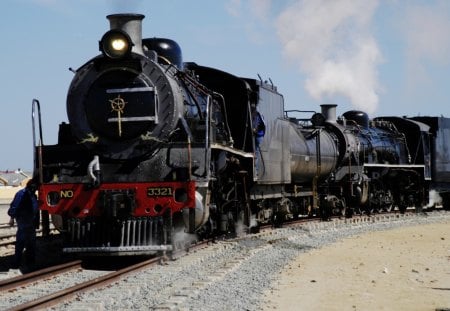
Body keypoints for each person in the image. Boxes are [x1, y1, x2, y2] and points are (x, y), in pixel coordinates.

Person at [7, 179, 39, 268]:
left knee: (31, 242)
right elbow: (14, 206)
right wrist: (12, 218)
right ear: (31, 187)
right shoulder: (21, 194)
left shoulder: (33, 195)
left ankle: (30, 261)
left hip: (31, 221)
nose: (35, 189)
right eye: (34, 187)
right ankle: (17, 263)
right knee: (21, 242)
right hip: (23, 220)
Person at [251, 103, 265, 175]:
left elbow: (259, 125)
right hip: (258, 135)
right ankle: (255, 170)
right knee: (255, 152)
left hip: (258, 135)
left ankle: (255, 171)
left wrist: (255, 130)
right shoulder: (257, 114)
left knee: (256, 152)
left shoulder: (257, 115)